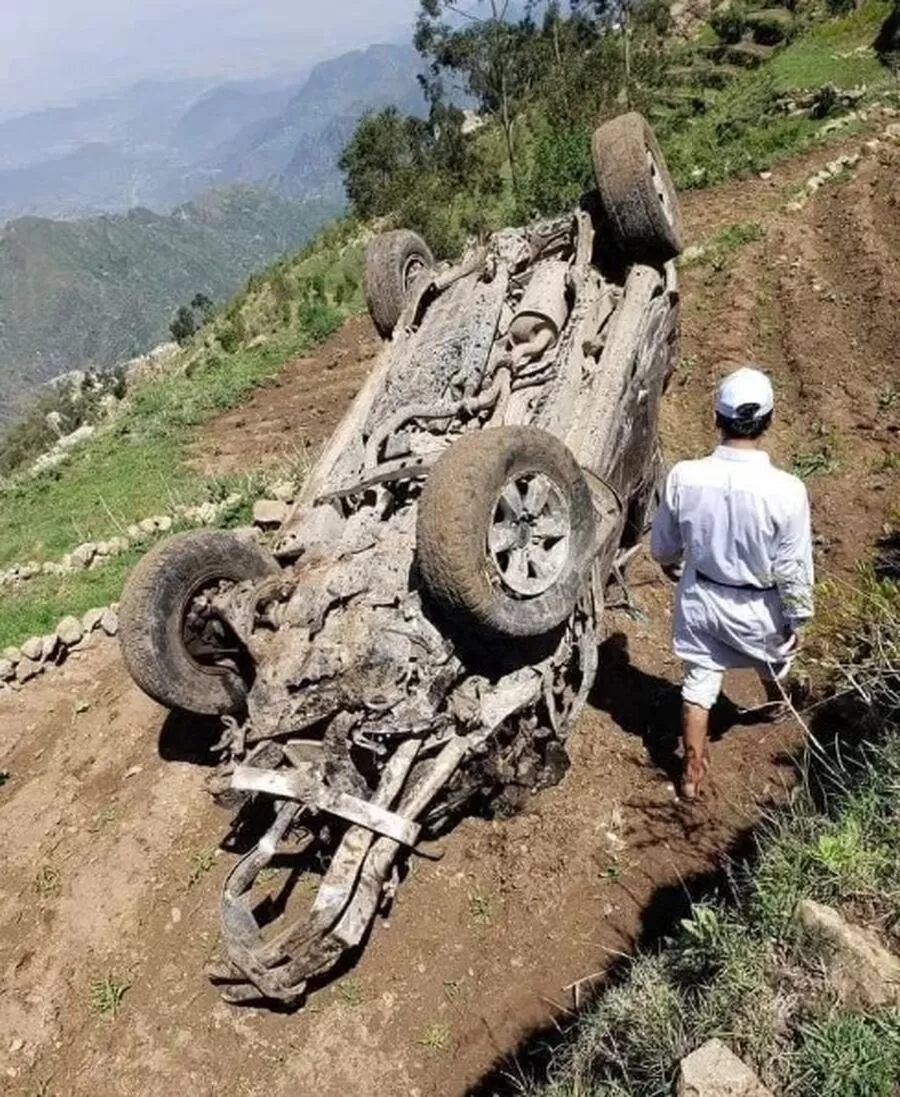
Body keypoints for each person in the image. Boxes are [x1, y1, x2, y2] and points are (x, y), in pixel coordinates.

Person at [650, 365, 814, 801]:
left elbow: (663, 546)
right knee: (772, 662)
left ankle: (689, 773)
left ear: (716, 419)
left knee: (699, 685)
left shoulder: (685, 475)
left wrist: (672, 562)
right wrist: (798, 616)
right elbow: (794, 563)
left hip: (702, 597)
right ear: (770, 420)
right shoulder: (787, 490)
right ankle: (778, 708)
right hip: (761, 606)